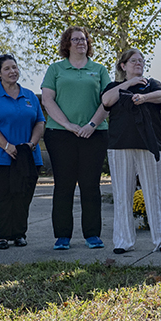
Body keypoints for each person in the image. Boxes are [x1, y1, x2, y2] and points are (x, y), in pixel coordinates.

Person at [41, 26, 112, 250]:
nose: (81, 42)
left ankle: (92, 235)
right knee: (64, 185)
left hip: (94, 134)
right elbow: (47, 100)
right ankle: (63, 236)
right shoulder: (56, 69)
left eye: (84, 39)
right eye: (75, 39)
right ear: (67, 44)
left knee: (91, 185)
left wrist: (91, 124)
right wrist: (68, 125)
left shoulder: (99, 69)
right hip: (61, 135)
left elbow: (108, 101)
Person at [102, 48, 161, 255]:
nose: (138, 63)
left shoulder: (152, 84)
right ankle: (123, 241)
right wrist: (129, 84)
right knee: (123, 194)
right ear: (123, 66)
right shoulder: (114, 86)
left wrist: (144, 97)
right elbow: (106, 101)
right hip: (120, 145)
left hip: (150, 145)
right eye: (133, 61)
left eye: (141, 60)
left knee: (155, 193)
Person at [0, 54, 44, 249]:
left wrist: (30, 144)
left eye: (14, 67)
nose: (12, 71)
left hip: (28, 156)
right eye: (7, 68)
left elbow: (40, 122)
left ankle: (19, 234)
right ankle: (2, 236)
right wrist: (7, 146)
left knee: (23, 196)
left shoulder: (30, 96)